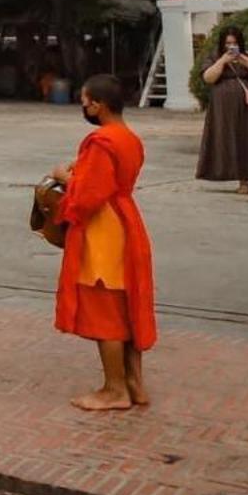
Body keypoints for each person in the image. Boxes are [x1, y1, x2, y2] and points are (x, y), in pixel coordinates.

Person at [53, 74, 157, 411]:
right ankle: (134, 384)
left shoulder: (101, 141)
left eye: (85, 101)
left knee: (106, 312)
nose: (83, 107)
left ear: (98, 104)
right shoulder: (129, 138)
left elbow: (87, 195)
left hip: (104, 230)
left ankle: (114, 390)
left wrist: (63, 177)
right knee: (127, 309)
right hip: (126, 220)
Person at [197, 25, 248, 195]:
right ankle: (237, 179)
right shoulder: (215, 57)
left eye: (234, 43)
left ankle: (247, 180)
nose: (231, 47)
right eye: (227, 43)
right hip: (223, 110)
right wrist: (222, 61)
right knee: (227, 141)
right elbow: (208, 78)